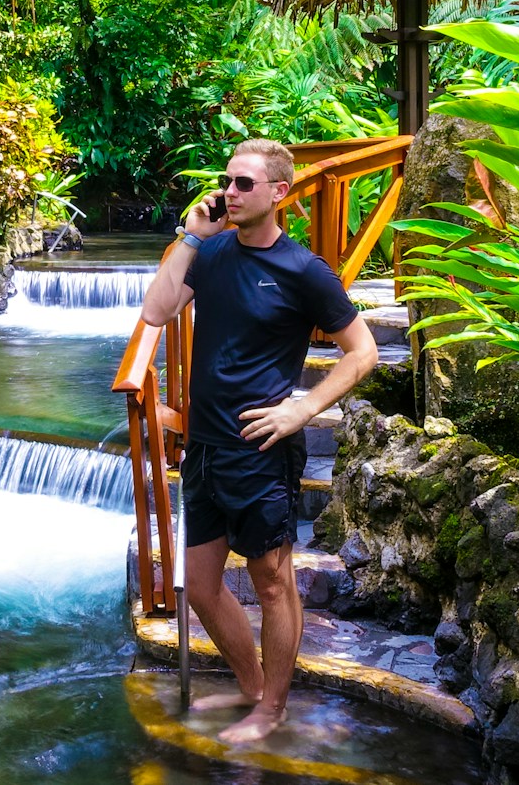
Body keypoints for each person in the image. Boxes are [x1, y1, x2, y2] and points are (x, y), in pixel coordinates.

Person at [138, 138, 380, 745]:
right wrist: (191, 237)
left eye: (245, 184)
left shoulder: (304, 270)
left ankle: (272, 708)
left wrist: (302, 408)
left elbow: (364, 353)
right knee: (198, 584)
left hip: (263, 449)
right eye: (227, 182)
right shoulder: (212, 253)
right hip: (207, 446)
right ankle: (251, 688)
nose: (230, 193)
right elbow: (157, 310)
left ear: (280, 192)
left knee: (272, 581)